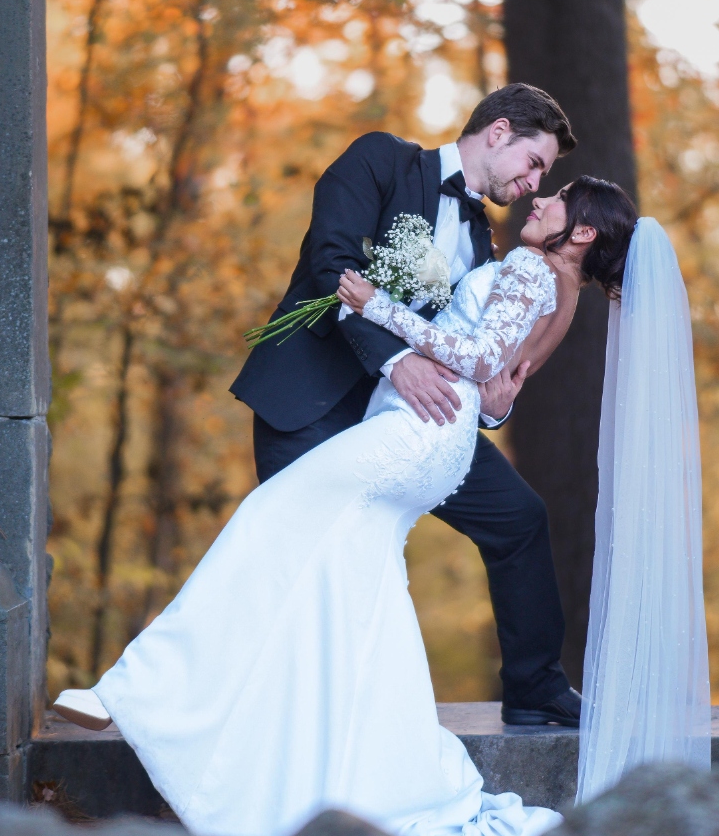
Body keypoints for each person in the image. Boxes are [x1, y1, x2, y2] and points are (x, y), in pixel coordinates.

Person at [51, 178, 642, 836]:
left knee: (267, 516)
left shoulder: (532, 269)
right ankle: (373, 777)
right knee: (364, 597)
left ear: (585, 232)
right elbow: (496, 387)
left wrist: (376, 304)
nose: (539, 201)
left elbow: (477, 359)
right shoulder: (560, 293)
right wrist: (496, 402)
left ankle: (134, 691)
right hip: (438, 436)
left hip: (415, 436)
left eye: (557, 197)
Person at [229, 83, 585, 728]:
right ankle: (274, 712)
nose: (535, 184)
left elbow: (467, 353)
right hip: (315, 399)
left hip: (411, 419)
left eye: (545, 176)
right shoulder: (381, 161)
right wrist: (397, 360)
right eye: (535, 163)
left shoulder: (484, 243)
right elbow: (330, 265)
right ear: (499, 132)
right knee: (310, 553)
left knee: (520, 518)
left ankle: (535, 688)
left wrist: (494, 406)